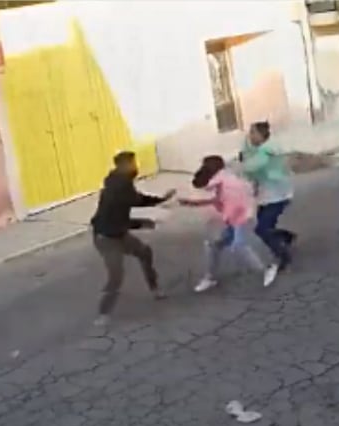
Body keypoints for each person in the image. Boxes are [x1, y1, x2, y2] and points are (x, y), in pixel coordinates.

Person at [89, 151, 176, 327]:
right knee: (116, 275)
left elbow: (138, 199)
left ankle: (155, 289)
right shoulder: (117, 189)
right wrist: (143, 223)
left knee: (144, 252)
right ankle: (103, 313)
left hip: (118, 233)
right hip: (107, 238)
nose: (136, 166)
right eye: (132, 163)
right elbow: (115, 220)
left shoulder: (123, 184)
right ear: (122, 166)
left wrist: (160, 200)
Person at [177, 155, 279, 293]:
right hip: (234, 219)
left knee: (238, 245)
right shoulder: (224, 180)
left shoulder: (225, 182)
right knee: (214, 245)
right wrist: (190, 203)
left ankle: (267, 268)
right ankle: (210, 278)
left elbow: (240, 199)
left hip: (241, 218)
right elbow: (215, 198)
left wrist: (245, 215)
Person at [240, 121, 296, 270]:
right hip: (272, 194)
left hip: (276, 196)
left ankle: (284, 255)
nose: (250, 136)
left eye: (253, 133)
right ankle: (286, 237)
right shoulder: (268, 147)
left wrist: (239, 167)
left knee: (262, 229)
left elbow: (251, 167)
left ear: (260, 134)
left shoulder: (266, 150)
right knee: (266, 226)